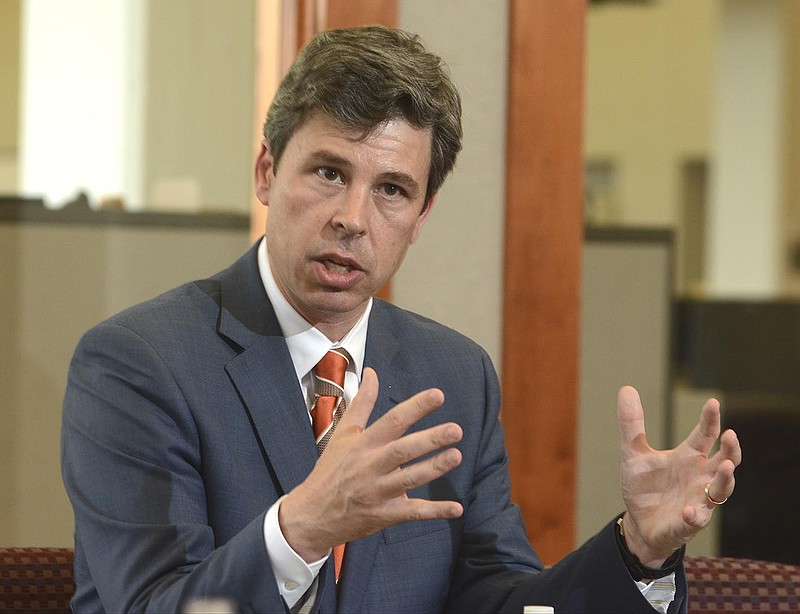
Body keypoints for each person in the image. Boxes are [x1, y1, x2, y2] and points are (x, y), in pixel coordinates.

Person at [61, 26, 741, 613]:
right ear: (267, 171)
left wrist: (637, 551)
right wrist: (300, 529)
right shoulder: (139, 363)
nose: (352, 219)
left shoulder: (452, 376)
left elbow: (500, 601)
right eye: (329, 172)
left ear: (421, 217)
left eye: (391, 190)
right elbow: (150, 604)